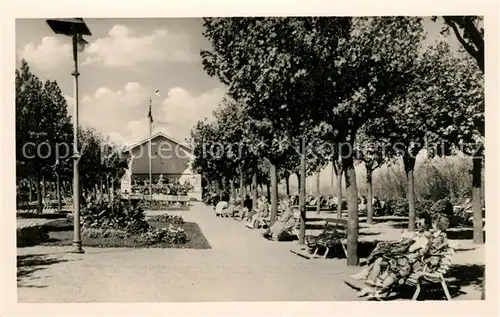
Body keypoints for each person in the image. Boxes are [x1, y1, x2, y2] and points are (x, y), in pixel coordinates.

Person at [350, 212, 436, 298]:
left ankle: (375, 286)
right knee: (379, 259)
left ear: (427, 225)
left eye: (420, 223)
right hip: (402, 256)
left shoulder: (427, 237)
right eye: (416, 223)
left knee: (390, 260)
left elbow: (416, 250)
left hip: (408, 260)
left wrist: (410, 241)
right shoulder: (417, 234)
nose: (417, 225)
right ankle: (369, 286)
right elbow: (404, 238)